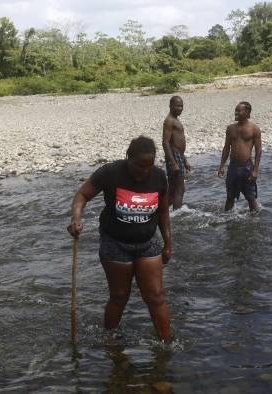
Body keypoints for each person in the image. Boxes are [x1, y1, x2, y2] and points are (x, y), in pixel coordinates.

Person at [67, 136, 172, 342]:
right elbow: (82, 196)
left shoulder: (159, 177)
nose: (144, 171)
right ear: (128, 158)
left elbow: (163, 214)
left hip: (148, 243)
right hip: (115, 244)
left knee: (156, 297)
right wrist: (76, 219)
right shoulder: (111, 172)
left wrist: (168, 243)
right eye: (139, 166)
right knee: (119, 296)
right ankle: (111, 341)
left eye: (148, 166)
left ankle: (166, 343)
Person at [217, 101, 262, 212]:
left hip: (247, 167)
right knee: (229, 197)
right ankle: (227, 219)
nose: (235, 113)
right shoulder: (230, 128)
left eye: (238, 111)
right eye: (235, 110)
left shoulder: (254, 129)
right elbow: (226, 148)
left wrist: (255, 170)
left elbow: (259, 150)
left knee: (251, 198)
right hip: (233, 167)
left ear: (247, 112)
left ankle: (255, 223)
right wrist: (221, 166)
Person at [162, 96, 190, 209]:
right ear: (170, 106)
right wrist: (173, 162)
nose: (180, 108)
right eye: (177, 105)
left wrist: (184, 160)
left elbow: (177, 143)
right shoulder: (169, 121)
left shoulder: (175, 119)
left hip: (178, 156)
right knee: (180, 188)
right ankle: (178, 213)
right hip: (174, 156)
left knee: (173, 188)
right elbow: (165, 142)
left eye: (181, 106)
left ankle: (162, 212)